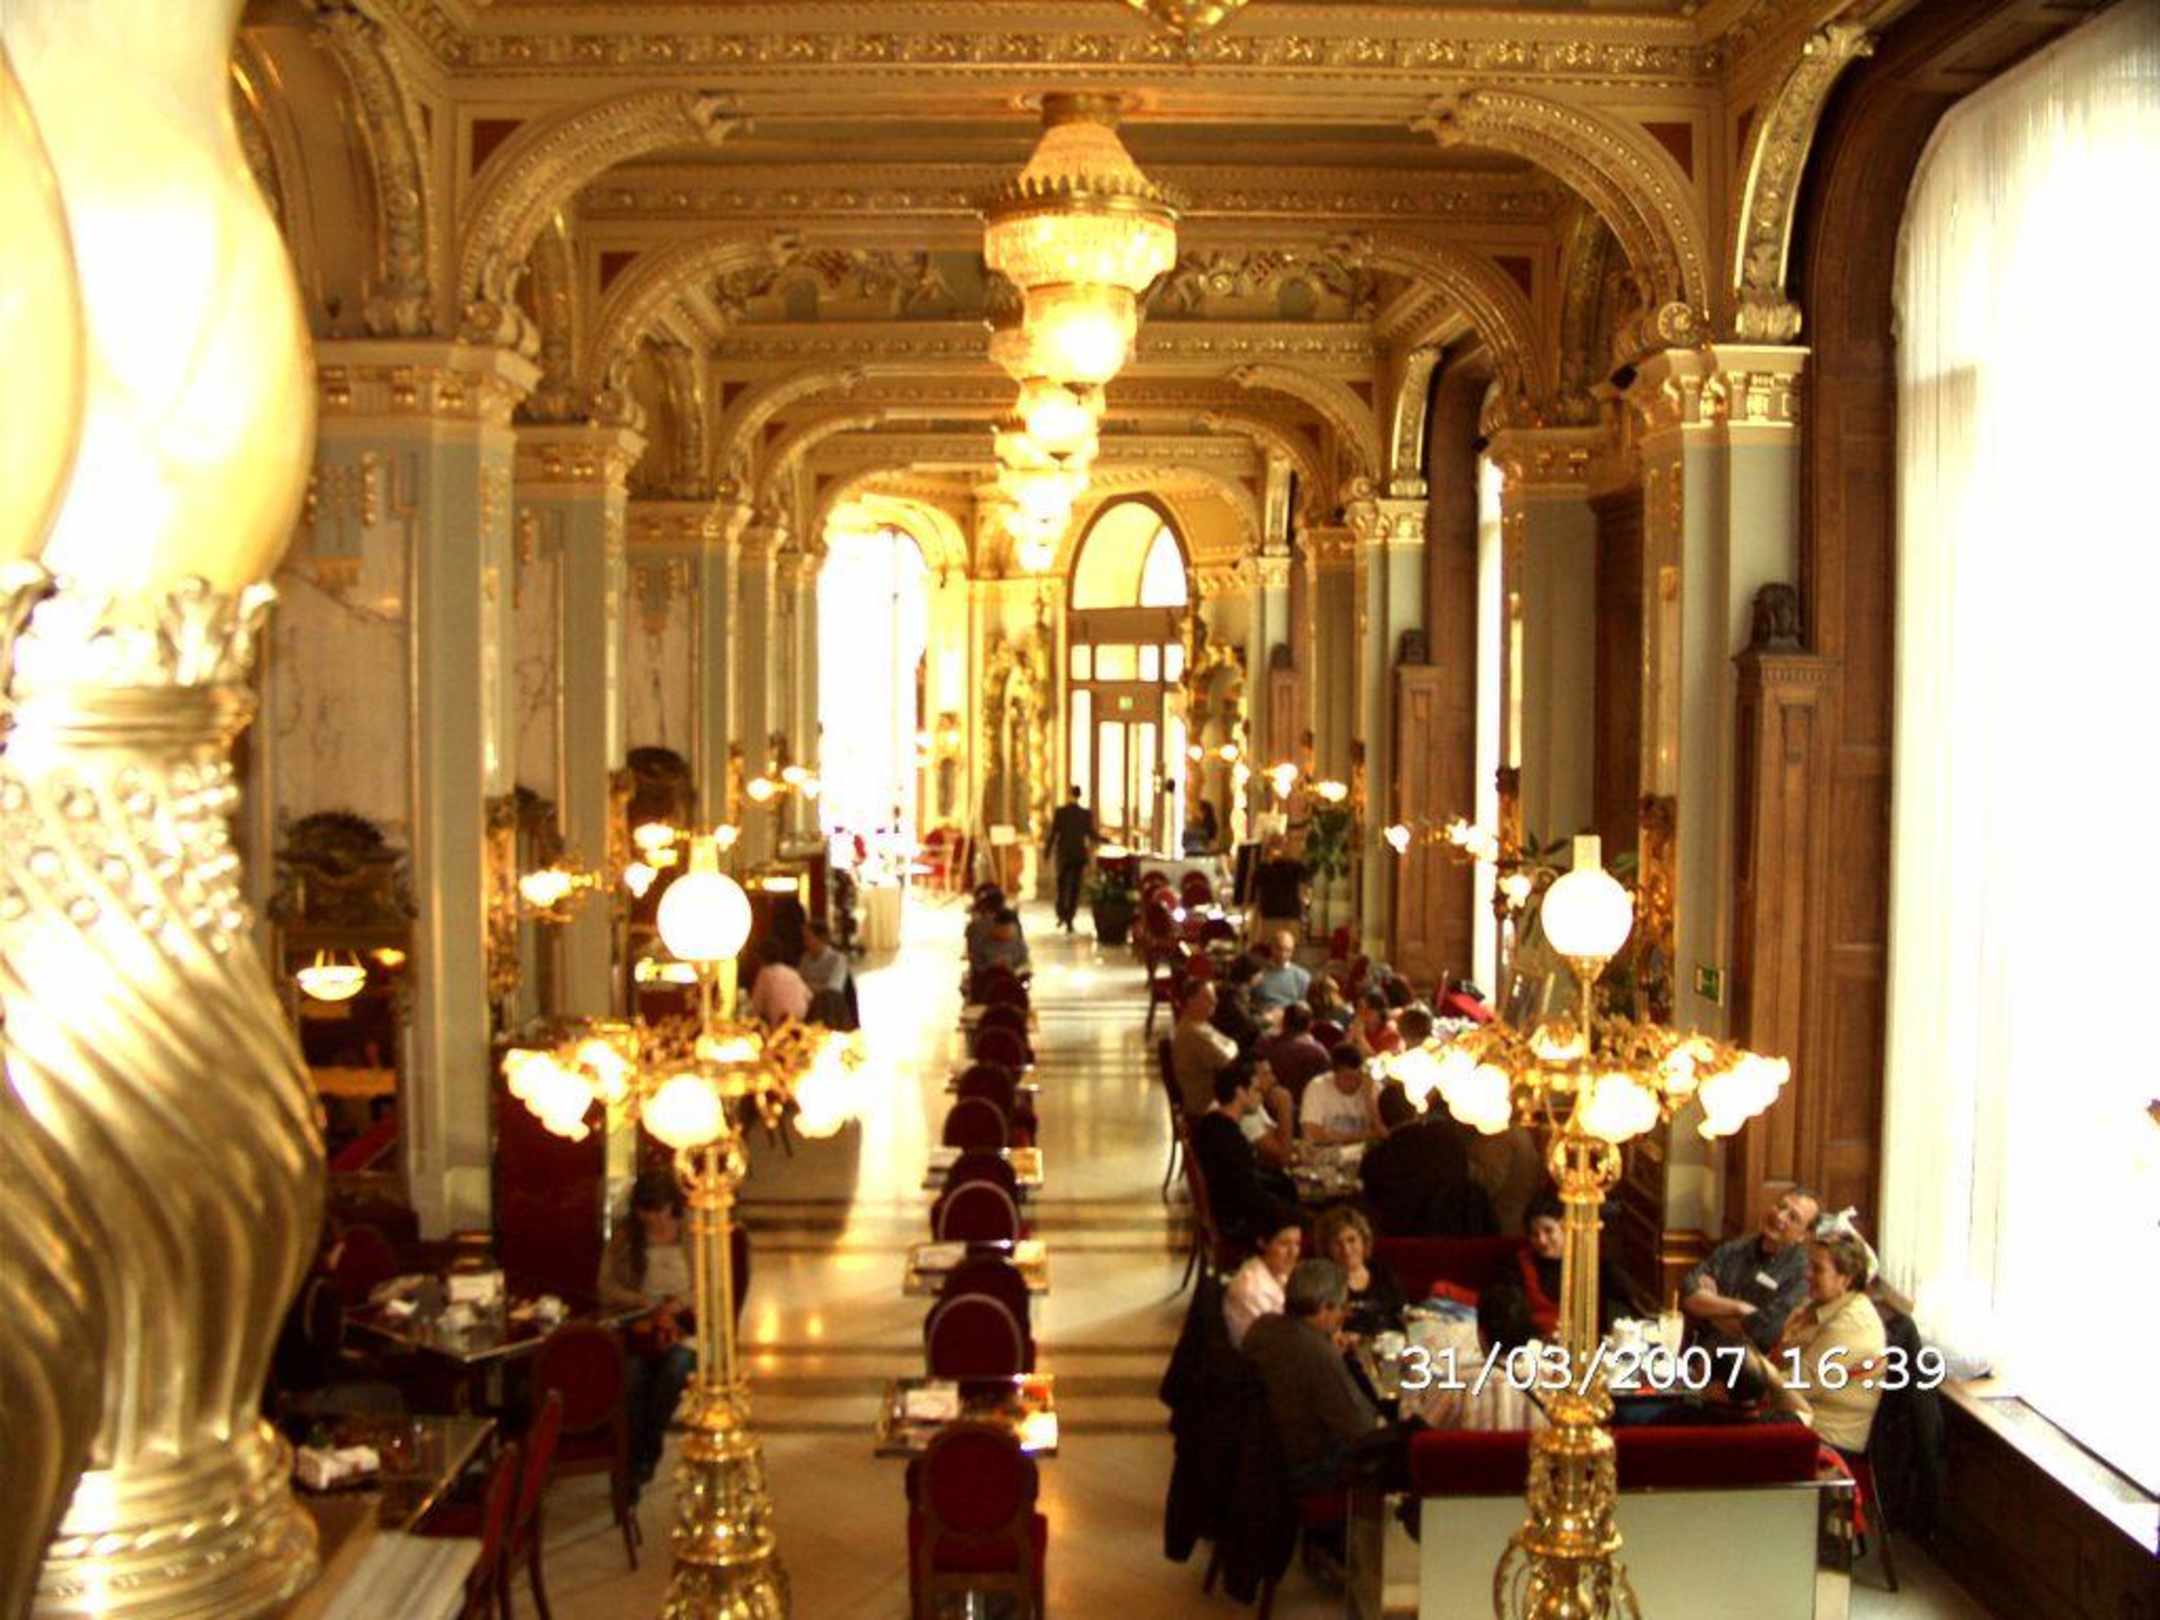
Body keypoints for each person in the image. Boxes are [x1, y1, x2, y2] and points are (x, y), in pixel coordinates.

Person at [1240, 1260, 1383, 1491]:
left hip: (1257, 1455)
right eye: (1342, 1307)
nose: (1344, 1315)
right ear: (1324, 1308)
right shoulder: (1319, 1353)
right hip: (1303, 1467)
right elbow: (1362, 1428)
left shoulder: (1262, 1327)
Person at [1746, 1231, 1888, 1458]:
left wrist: (1747, 1370)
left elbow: (1797, 1384)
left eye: (1818, 1269)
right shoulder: (1817, 1305)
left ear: (1846, 1278)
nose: (1807, 1274)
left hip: (1825, 1441)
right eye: (1809, 1266)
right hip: (1791, 1419)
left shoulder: (1854, 1324)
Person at [599, 1171, 696, 1494]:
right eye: (647, 1212)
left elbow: (706, 1284)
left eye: (660, 1211)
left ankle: (644, 1453)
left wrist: (675, 1306)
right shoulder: (626, 1237)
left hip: (683, 1325)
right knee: (634, 1377)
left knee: (675, 1370)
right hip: (639, 1326)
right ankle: (636, 1457)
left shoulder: (691, 1231)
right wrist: (642, 1302)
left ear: (672, 1206)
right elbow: (605, 1286)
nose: (655, 1220)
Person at [1679, 1185, 1823, 1351]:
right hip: (1700, 1349)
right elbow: (1688, 1294)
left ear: (1804, 1235)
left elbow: (1767, 1333)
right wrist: (1739, 1307)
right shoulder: (1736, 1248)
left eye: (1793, 1217)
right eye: (1781, 1206)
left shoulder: (1802, 1274)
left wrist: (1710, 1308)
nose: (1780, 1216)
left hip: (1748, 1360)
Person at [1402, 1280, 1548, 1433]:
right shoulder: (1549, 1383)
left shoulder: (1459, 1385)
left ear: (1481, 1334)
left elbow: (1418, 1431)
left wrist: (1412, 1379)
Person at [1359, 1083, 1493, 1238]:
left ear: (1382, 1118)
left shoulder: (1375, 1160)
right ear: (1414, 1110)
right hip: (1458, 1235)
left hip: (1402, 1243)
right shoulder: (1448, 1143)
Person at [1190, 1064, 1300, 1247]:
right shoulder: (1226, 1136)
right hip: (1238, 1224)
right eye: (1256, 1090)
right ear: (1240, 1092)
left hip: (1234, 1212)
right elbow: (1250, 1195)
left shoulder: (1213, 1125)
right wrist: (1294, 1214)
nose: (1261, 1095)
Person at [1514, 1194, 1649, 1337]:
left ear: (1566, 1228)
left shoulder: (1592, 1262)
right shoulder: (1522, 1263)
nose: (1542, 1240)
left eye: (1549, 1231)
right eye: (1534, 1234)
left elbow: (1632, 1299)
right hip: (1539, 1344)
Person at [1315, 1206, 1406, 1335]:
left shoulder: (1383, 1274)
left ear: (1364, 1240)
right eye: (1337, 1243)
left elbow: (1401, 1315)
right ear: (1327, 1248)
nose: (1346, 1250)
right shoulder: (1322, 1282)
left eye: (1351, 1240)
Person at [1224, 1218, 1304, 1349]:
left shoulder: (1281, 1272)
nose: (1293, 1252)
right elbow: (1275, 1341)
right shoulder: (1250, 1288)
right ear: (1262, 1243)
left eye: (1297, 1244)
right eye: (1284, 1244)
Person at [1171, 981, 1239, 1117]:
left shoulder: (1200, 1023)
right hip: (1205, 1103)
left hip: (1213, 1094)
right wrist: (1230, 1047)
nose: (1215, 1001)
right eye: (1207, 997)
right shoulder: (1192, 1033)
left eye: (1214, 996)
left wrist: (1230, 1047)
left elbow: (1231, 1043)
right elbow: (1226, 1060)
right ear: (1191, 1001)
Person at [1300, 1044, 1383, 1145]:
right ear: (1334, 1074)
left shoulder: (1372, 1087)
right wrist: (1363, 1136)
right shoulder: (1318, 1086)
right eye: (1347, 1078)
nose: (1353, 1083)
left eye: (1358, 1078)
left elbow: (1383, 1133)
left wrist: (1369, 1099)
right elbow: (1311, 1134)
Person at [1256, 1002, 1332, 1110]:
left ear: (1283, 1022)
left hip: (1265, 1107)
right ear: (1311, 1024)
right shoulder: (1320, 1053)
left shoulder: (1264, 1044)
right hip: (1303, 1111)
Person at [1044, 786, 1096, 931]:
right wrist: (1105, 840)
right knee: (1075, 888)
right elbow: (1091, 833)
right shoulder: (1085, 814)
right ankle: (1070, 918)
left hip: (1064, 854)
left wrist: (1047, 851)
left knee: (1061, 885)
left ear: (1069, 795)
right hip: (1079, 855)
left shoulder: (1060, 812)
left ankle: (1061, 914)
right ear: (1080, 796)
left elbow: (1054, 833)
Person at [798, 921, 851, 1026]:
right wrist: (816, 986)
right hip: (808, 1002)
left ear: (821, 938)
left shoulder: (837, 959)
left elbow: (833, 988)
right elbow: (798, 983)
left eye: (808, 938)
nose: (804, 942)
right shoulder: (805, 958)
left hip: (829, 1007)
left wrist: (808, 985)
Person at [1210, 954, 1266, 1052]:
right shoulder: (1233, 993)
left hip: (1229, 1039)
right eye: (1260, 973)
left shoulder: (1240, 989)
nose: (1262, 976)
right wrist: (1267, 1019)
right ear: (1251, 974)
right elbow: (1247, 1023)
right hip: (1230, 1044)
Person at [747, 941, 810, 1024]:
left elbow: (756, 1007)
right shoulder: (791, 971)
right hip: (801, 1018)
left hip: (780, 1021)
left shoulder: (765, 973)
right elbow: (809, 996)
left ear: (761, 957)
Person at [1252, 929, 1313, 1012]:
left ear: (1293, 951)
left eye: (1288, 950)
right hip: (1264, 1016)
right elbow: (1251, 1004)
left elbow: (1305, 1006)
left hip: (1291, 1017)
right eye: (1279, 949)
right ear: (1272, 947)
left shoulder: (1303, 976)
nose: (1283, 954)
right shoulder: (1258, 973)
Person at [1349, 989, 1403, 1058]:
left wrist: (1360, 1037)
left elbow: (1380, 1060)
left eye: (1369, 1008)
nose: (1363, 1012)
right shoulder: (1359, 1030)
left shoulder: (1390, 1030)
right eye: (1359, 1008)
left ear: (1379, 1010)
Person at [976, 908, 1031, 975]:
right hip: (989, 976)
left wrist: (1016, 971)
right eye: (1002, 930)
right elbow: (977, 965)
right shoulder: (984, 943)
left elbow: (1026, 964)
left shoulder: (1019, 944)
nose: (1005, 933)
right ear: (995, 927)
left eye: (1008, 930)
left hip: (1013, 976)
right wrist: (993, 965)